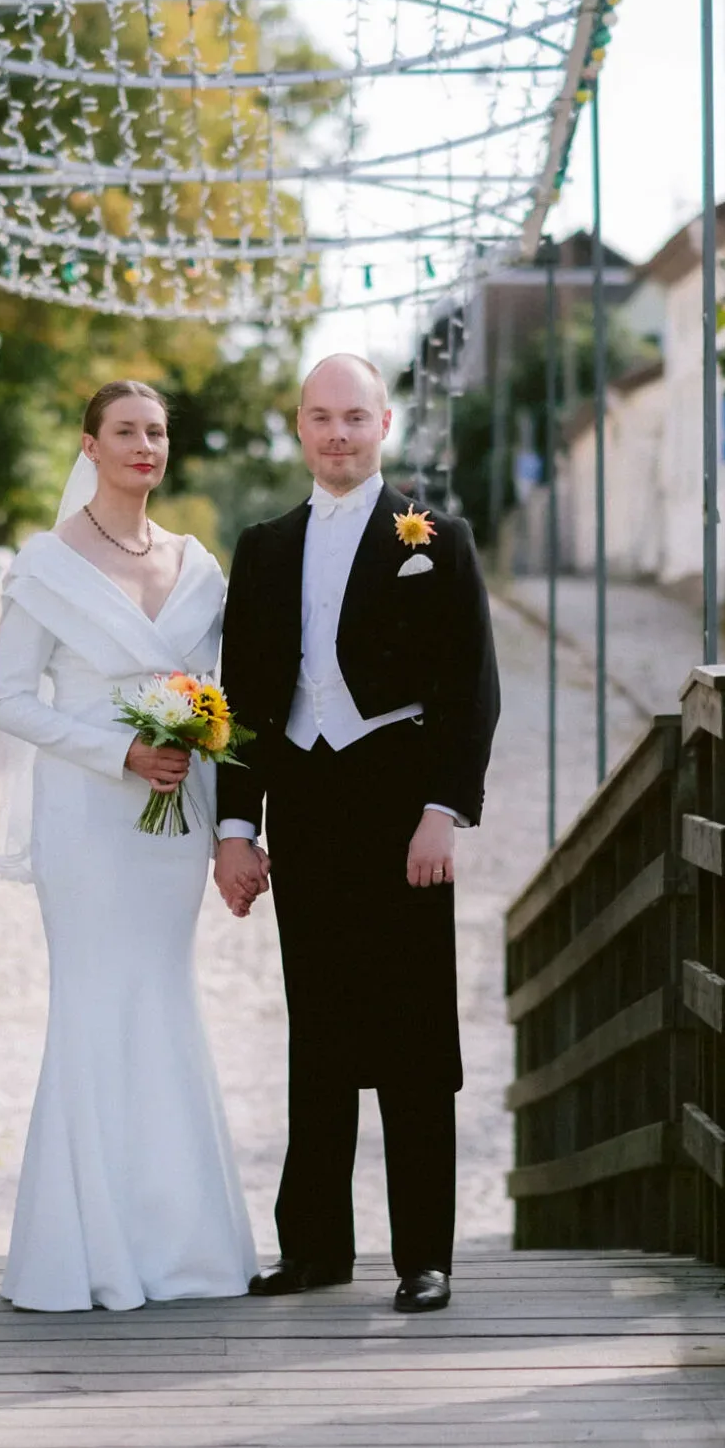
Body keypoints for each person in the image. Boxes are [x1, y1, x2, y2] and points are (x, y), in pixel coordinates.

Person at [212, 354, 500, 1314]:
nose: (338, 434)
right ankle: (316, 1250)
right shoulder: (262, 547)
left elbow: (470, 690)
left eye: (355, 418)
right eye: (320, 417)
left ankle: (425, 1255)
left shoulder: (436, 540)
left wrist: (441, 812)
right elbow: (243, 702)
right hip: (306, 806)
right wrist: (233, 829)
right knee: (319, 1032)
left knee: (417, 1038)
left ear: (385, 425)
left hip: (401, 811)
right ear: (298, 427)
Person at [0, 380, 257, 1311]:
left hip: (175, 825)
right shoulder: (46, 564)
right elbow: (10, 699)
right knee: (94, 1005)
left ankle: (181, 1246)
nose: (145, 446)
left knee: (163, 999)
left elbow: (227, 689)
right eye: (126, 432)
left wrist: (229, 822)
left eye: (157, 433)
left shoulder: (198, 567)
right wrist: (118, 752)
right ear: (89, 446)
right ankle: (86, 1249)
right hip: (88, 824)